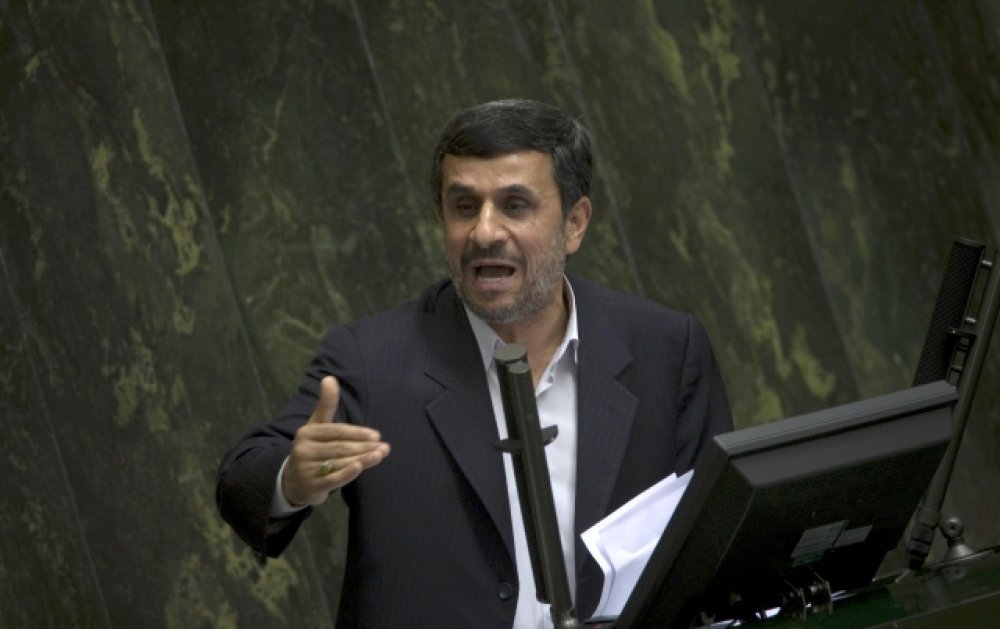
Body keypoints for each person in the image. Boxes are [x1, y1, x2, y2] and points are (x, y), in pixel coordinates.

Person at [216, 98, 732, 628]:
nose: (485, 232)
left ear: (574, 223)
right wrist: (293, 478)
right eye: (464, 207)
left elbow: (721, 542)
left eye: (515, 205)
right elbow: (243, 480)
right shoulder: (371, 358)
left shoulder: (666, 349)